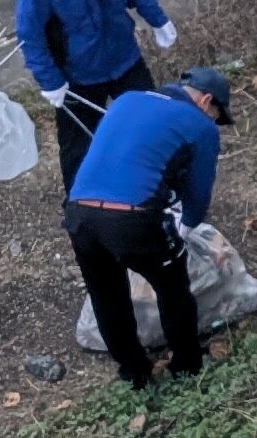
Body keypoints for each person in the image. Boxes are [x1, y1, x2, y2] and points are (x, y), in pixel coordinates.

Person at [63, 68, 229, 388]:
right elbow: (199, 190)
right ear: (206, 100)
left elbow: (129, 157)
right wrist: (188, 225)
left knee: (107, 294)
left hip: (79, 212)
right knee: (173, 286)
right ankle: (187, 364)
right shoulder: (200, 126)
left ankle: (133, 372)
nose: (213, 122)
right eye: (215, 115)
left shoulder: (128, 99)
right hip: (130, 218)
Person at [15, 0, 179, 173]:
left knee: (152, 123)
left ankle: (168, 185)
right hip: (77, 75)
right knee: (78, 148)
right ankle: (77, 208)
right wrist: (50, 81)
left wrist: (158, 19)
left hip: (124, 58)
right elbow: (29, 36)